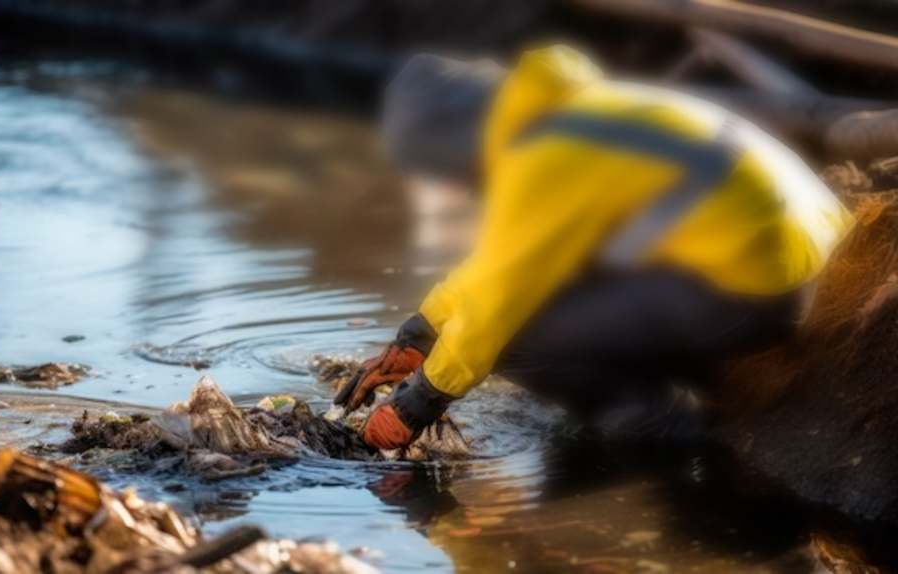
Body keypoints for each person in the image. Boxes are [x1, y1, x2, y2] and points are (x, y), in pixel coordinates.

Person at [334, 45, 853, 450]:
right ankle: (663, 375)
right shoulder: (569, 114)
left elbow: (498, 304)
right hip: (806, 246)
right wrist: (422, 330)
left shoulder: (540, 158)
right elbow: (504, 262)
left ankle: (674, 432)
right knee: (556, 283)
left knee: (515, 342)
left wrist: (421, 401)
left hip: (765, 283)